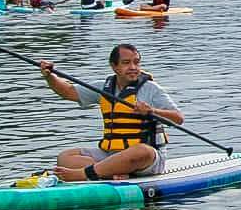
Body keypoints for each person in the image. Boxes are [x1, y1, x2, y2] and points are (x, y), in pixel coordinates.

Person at [37, 43, 183, 182]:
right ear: (114, 66)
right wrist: (49, 76)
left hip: (147, 160)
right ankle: (112, 171)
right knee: (65, 157)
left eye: (136, 62)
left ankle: (83, 174)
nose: (133, 67)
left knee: (142, 151)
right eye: (126, 63)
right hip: (111, 154)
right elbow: (68, 92)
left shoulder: (151, 89)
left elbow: (178, 118)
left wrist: (152, 111)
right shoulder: (104, 87)